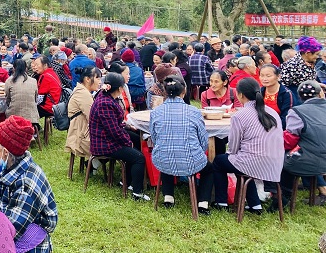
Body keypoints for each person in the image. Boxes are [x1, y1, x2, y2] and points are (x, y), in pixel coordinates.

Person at [0, 116, 58, 253]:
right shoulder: (14, 167)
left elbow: (11, 230)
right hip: (19, 232)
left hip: (30, 249)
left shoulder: (26, 183)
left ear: (5, 151)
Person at [199, 78, 284, 214]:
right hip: (275, 163)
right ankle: (255, 205)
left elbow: (233, 147)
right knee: (243, 162)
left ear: (240, 95)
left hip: (251, 163)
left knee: (219, 162)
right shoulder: (272, 112)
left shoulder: (240, 115)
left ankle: (221, 202)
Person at [149, 76, 215, 213]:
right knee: (209, 170)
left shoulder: (156, 112)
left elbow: (155, 139)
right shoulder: (194, 112)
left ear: (165, 93)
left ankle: (168, 197)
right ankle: (203, 203)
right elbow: (203, 141)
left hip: (162, 159)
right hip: (192, 160)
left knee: (165, 152)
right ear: (184, 92)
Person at [88, 72, 149, 201]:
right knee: (138, 158)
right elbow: (114, 131)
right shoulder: (105, 103)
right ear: (120, 88)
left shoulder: (105, 96)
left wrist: (128, 128)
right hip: (104, 143)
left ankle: (126, 181)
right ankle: (137, 192)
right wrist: (127, 142)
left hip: (107, 137)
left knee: (137, 138)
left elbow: (115, 124)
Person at [281, 81, 326, 203]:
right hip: (318, 157)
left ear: (299, 97)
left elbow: (289, 141)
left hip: (312, 160)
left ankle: (284, 197)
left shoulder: (297, 112)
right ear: (320, 94)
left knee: (284, 160)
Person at [65, 65, 101, 163]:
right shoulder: (83, 94)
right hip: (82, 137)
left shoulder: (82, 91)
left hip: (82, 131)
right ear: (87, 79)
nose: (100, 81)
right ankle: (94, 164)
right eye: (97, 78)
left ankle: (94, 164)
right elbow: (93, 118)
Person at [281, 36, 324, 105]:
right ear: (307, 53)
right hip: (297, 100)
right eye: (316, 54)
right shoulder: (293, 65)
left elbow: (309, 79)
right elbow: (284, 86)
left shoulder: (307, 62)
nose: (317, 57)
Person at [4, 58, 40, 127]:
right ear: (26, 68)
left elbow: (8, 98)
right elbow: (35, 98)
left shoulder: (9, 80)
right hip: (31, 115)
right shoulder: (33, 81)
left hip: (13, 115)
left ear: (14, 68)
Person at [259, 64, 295, 129]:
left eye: (268, 76)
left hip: (279, 128)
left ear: (278, 76)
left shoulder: (286, 94)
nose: (264, 79)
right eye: (262, 75)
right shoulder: (260, 92)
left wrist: (273, 129)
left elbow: (287, 117)